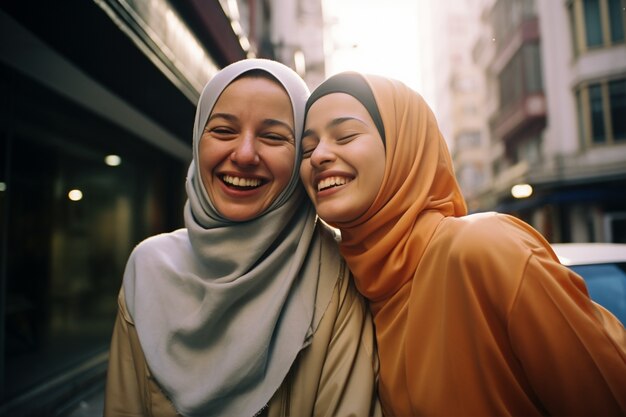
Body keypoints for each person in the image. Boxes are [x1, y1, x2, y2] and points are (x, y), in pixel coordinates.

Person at [299, 71, 626, 416]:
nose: (319, 155)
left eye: (345, 136)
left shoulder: (485, 250)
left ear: (403, 147)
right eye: (307, 147)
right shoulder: (348, 292)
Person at [104, 60, 381, 417]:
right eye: (222, 131)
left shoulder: (334, 270)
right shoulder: (148, 267)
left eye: (273, 137)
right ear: (197, 139)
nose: (245, 154)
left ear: (300, 155)